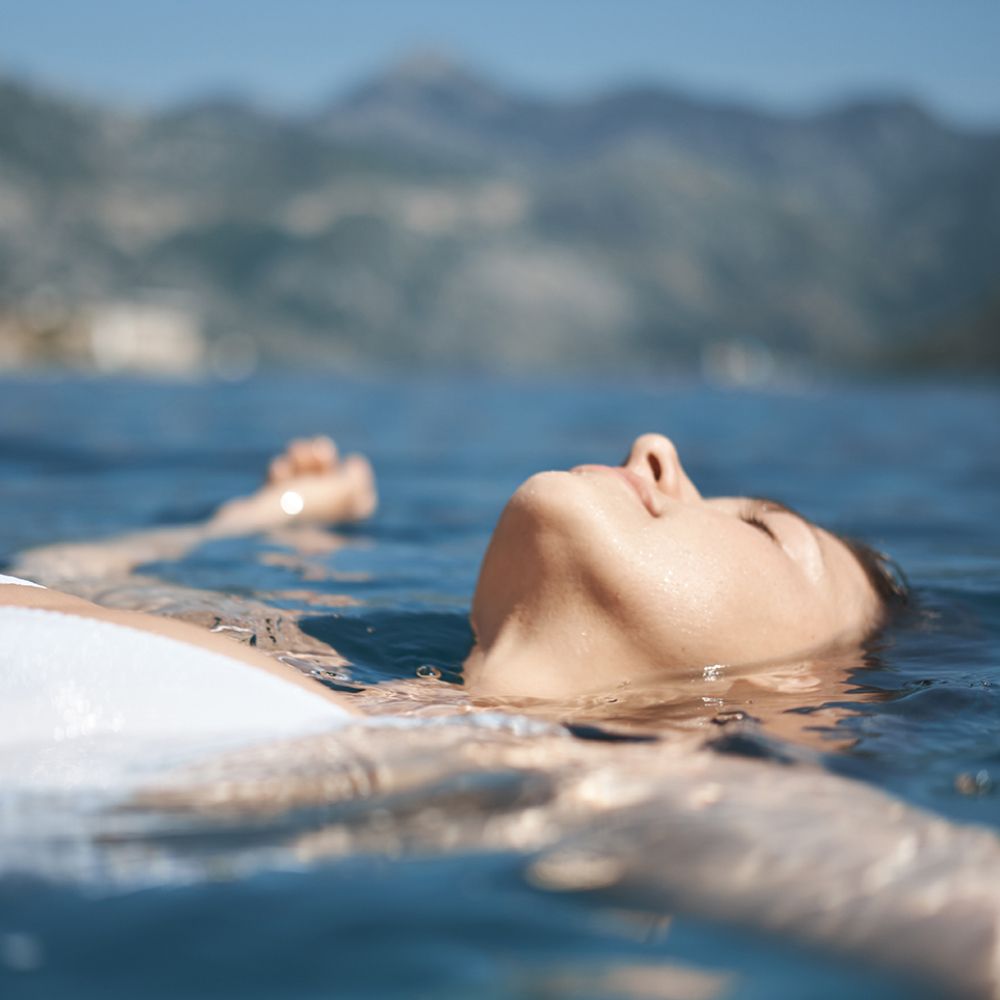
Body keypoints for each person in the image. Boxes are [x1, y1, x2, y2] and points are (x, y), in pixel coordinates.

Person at [2, 431, 906, 717]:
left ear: (800, 709)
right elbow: (51, 576)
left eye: (763, 530)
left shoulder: (632, 806)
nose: (657, 449)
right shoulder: (307, 660)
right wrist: (261, 519)